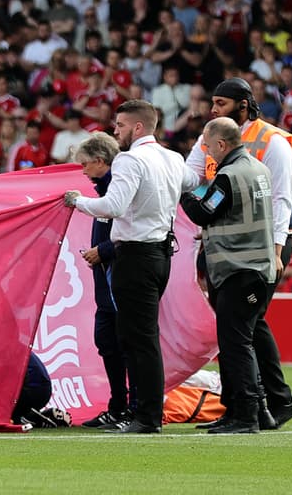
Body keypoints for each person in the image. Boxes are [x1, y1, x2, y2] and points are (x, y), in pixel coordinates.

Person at [63, 100, 191, 434]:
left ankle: (146, 416)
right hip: (161, 253)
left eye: (119, 125)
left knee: (139, 340)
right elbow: (191, 184)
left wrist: (77, 201)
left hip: (135, 256)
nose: (114, 131)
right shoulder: (173, 158)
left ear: (137, 127)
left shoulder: (131, 160)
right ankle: (144, 412)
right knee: (143, 337)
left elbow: (112, 206)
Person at [183, 77, 292, 430]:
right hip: (234, 251)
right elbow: (189, 175)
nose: (212, 109)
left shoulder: (271, 143)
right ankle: (263, 404)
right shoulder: (217, 140)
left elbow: (282, 200)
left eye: (220, 104)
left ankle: (252, 407)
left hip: (257, 249)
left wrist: (277, 250)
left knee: (239, 331)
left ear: (243, 105)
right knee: (248, 326)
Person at [179, 117, 278, 434]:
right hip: (255, 267)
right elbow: (231, 215)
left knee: (236, 346)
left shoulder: (228, 177)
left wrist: (183, 191)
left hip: (238, 270)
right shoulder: (258, 169)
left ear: (221, 144)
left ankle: (246, 416)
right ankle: (253, 412)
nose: (206, 152)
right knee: (240, 343)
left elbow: (203, 212)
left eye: (208, 147)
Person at [73, 132, 134, 428]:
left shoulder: (120, 191)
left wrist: (104, 250)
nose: (83, 171)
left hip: (121, 281)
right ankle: (118, 407)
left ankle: (134, 408)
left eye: (85, 165)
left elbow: (137, 231)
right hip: (105, 287)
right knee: (107, 344)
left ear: (100, 161)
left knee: (128, 345)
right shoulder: (103, 194)